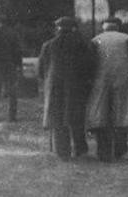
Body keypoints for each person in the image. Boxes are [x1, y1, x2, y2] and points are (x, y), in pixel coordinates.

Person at [86, 16, 128, 162]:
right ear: (118, 27)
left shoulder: (96, 40)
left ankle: (103, 150)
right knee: (123, 111)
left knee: (100, 112)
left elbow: (89, 61)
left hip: (100, 79)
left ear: (104, 27)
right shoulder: (126, 38)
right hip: (124, 78)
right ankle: (120, 147)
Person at [37, 17, 95, 160]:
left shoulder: (48, 45)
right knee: (77, 118)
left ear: (58, 29)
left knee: (58, 119)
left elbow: (40, 70)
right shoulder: (82, 44)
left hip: (55, 87)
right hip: (77, 87)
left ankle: (63, 152)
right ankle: (80, 149)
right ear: (73, 28)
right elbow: (90, 66)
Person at [0, 15, 23, 122]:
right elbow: (18, 52)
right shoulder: (13, 34)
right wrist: (18, 66)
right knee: (12, 92)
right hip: (10, 66)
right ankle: (12, 116)